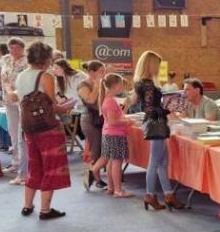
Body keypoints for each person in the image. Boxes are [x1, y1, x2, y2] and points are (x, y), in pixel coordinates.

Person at [14, 41, 71, 220]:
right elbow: (53, 106)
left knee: (34, 166)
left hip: (29, 127)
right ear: (46, 58)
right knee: (51, 167)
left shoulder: (21, 75)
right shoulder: (45, 76)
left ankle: (27, 205)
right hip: (48, 129)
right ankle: (45, 210)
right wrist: (68, 106)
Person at [128, 50, 184, 211]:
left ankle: (168, 194)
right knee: (155, 162)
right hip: (156, 122)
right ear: (151, 65)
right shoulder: (148, 85)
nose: (159, 69)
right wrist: (168, 108)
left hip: (155, 122)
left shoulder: (142, 83)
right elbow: (150, 108)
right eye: (158, 65)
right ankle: (151, 194)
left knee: (162, 161)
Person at [0, 37, 28, 184]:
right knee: (12, 132)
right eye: (11, 47)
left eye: (17, 48)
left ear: (22, 48)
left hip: (22, 100)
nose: (14, 50)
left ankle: (24, 166)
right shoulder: (5, 59)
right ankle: (15, 162)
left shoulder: (27, 61)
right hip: (8, 100)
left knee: (21, 134)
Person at [99, 73, 134, 198]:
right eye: (121, 85)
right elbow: (113, 121)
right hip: (115, 134)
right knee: (117, 163)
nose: (122, 88)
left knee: (111, 162)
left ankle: (111, 186)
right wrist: (128, 122)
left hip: (109, 134)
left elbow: (112, 119)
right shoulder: (111, 102)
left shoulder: (108, 100)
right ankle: (118, 190)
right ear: (116, 86)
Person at [78, 60, 107, 190]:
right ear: (91, 72)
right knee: (96, 150)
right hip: (89, 119)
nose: (103, 73)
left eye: (104, 71)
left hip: (100, 119)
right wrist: (96, 84)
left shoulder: (102, 83)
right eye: (101, 71)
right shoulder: (83, 85)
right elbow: (90, 100)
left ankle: (95, 176)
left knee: (101, 149)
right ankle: (93, 176)